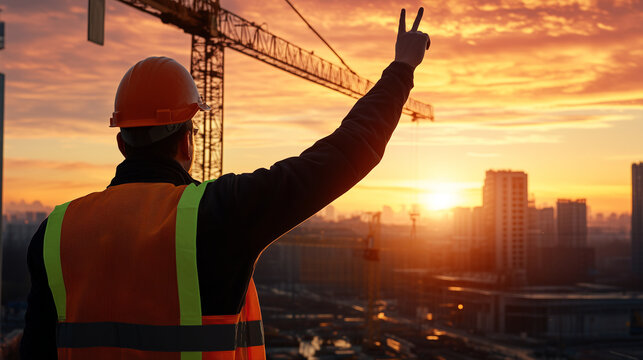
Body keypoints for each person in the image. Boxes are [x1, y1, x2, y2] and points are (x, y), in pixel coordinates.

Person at [20, 7, 430, 359]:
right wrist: (401, 71)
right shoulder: (216, 214)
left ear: (121, 143)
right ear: (186, 140)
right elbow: (340, 157)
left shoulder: (54, 233)